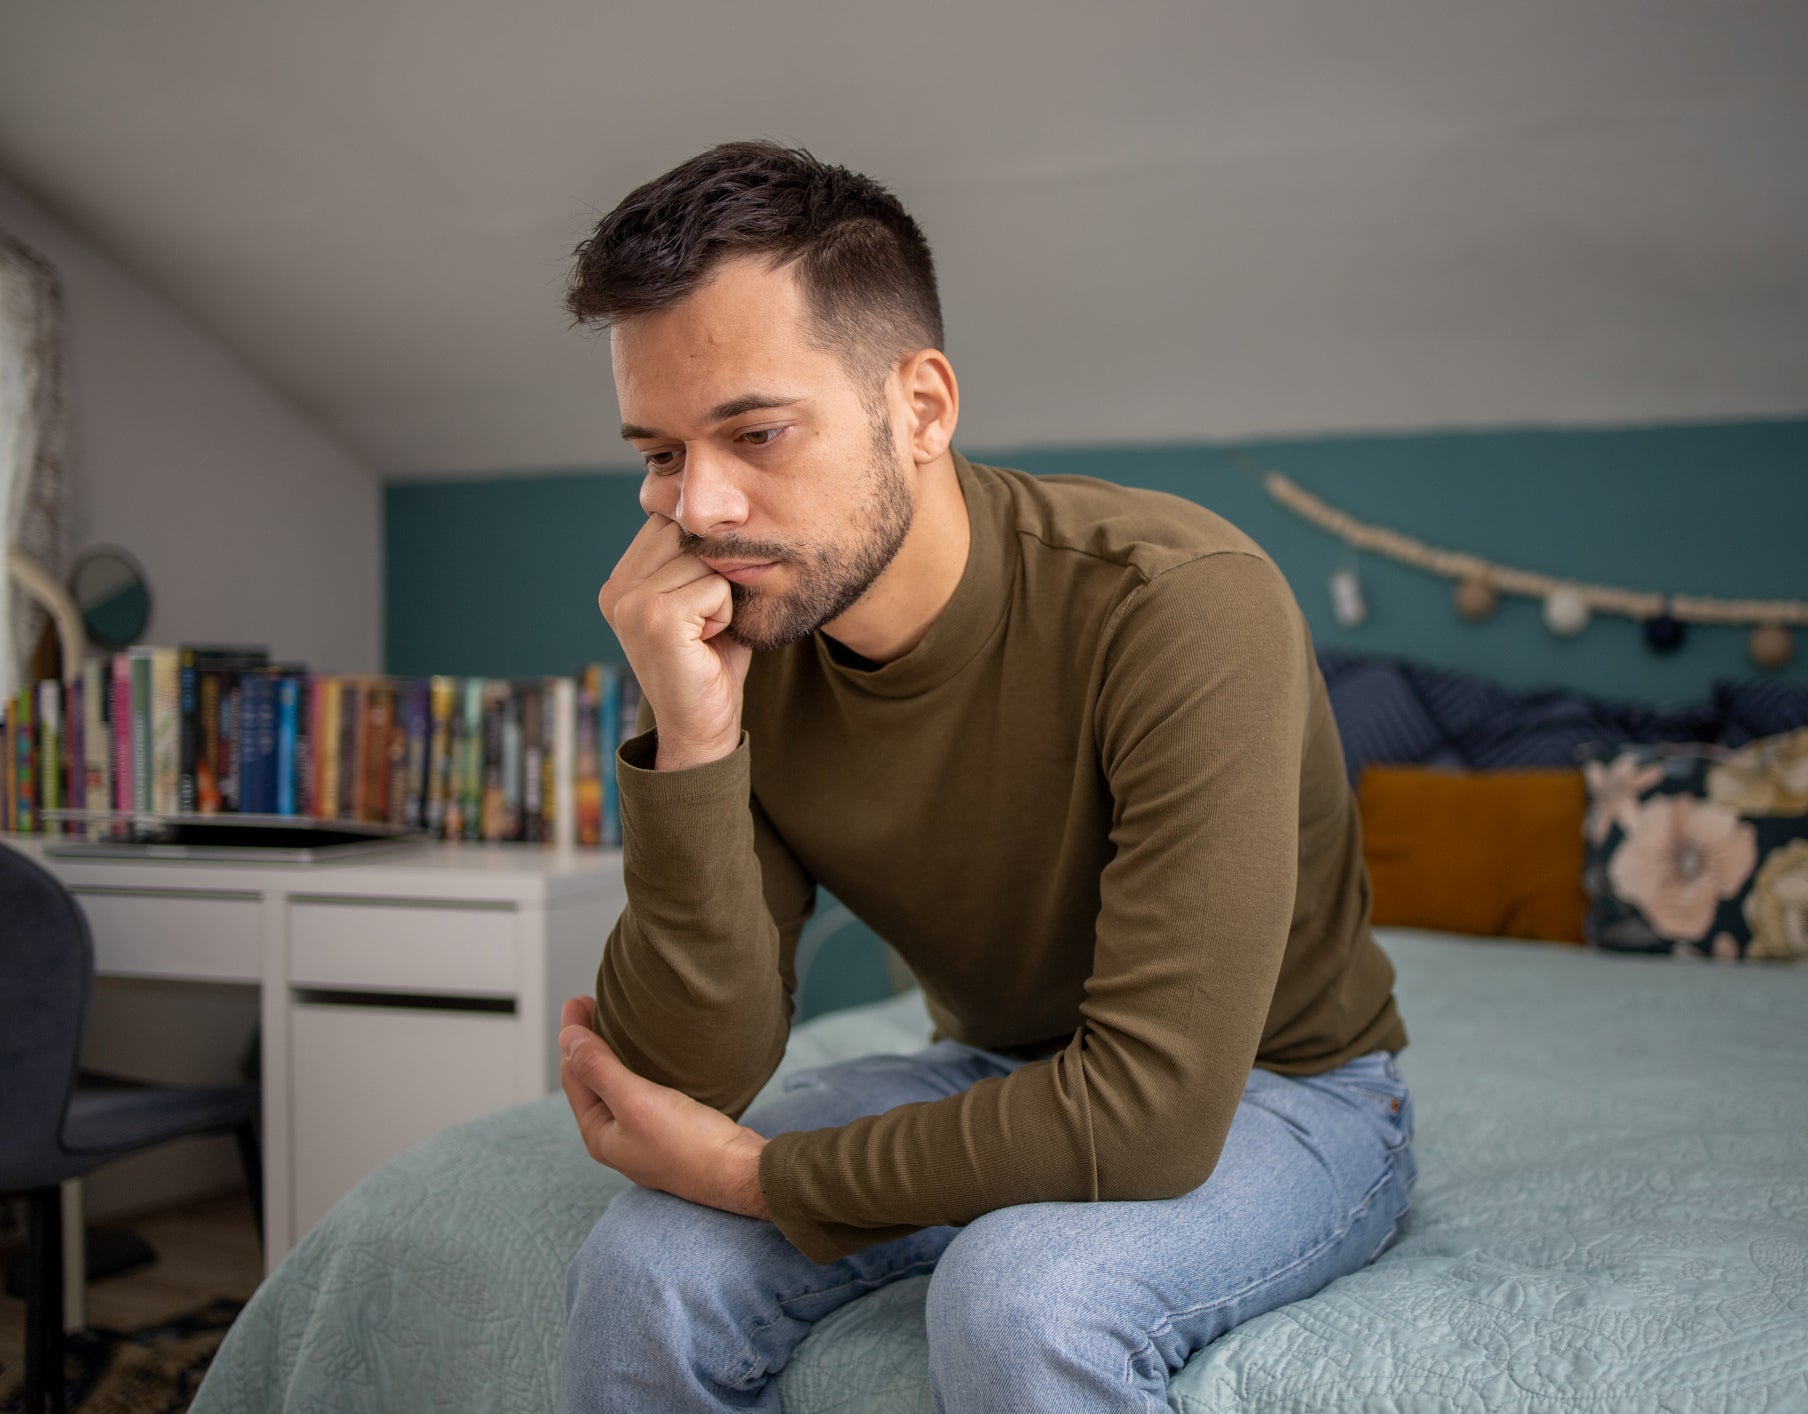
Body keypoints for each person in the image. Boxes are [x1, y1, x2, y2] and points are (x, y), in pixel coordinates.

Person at [553, 139, 1413, 1413]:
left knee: (1023, 1295)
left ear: (923, 407)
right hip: (1001, 1068)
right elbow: (682, 1080)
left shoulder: (1179, 604)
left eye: (755, 432)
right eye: (663, 452)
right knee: (644, 1263)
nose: (704, 510)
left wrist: (761, 1179)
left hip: (1283, 1091)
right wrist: (692, 741)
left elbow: (1154, 1112)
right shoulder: (754, 639)